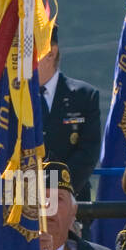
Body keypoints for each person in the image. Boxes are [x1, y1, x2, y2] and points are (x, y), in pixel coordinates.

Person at [38, 25, 101, 202]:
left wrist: (56, 192)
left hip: (73, 200)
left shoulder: (84, 96)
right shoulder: (14, 100)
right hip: (25, 204)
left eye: (29, 49)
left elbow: (88, 152)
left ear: (50, 53)